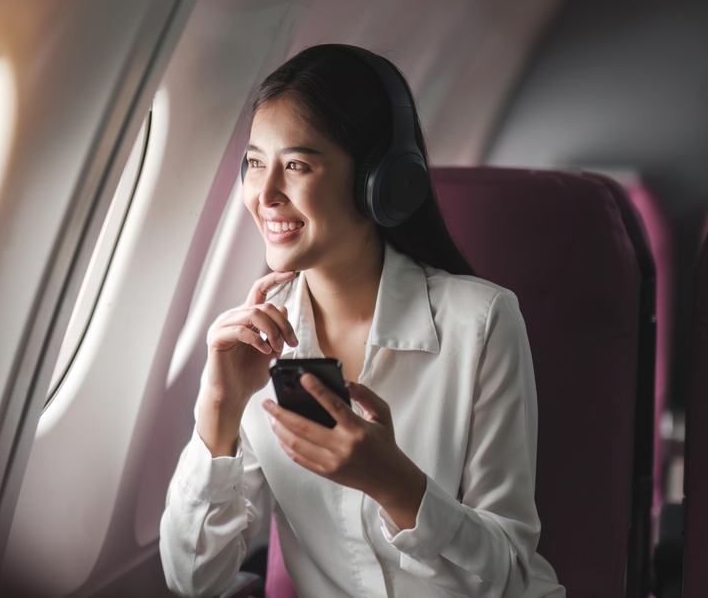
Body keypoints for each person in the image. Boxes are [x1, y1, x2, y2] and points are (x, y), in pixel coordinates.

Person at [159, 44, 564, 597]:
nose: (265, 194)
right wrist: (219, 413)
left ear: (381, 180)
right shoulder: (257, 349)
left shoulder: (481, 322)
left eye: (297, 164)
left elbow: (513, 577)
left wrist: (397, 485)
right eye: (255, 163)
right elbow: (194, 582)